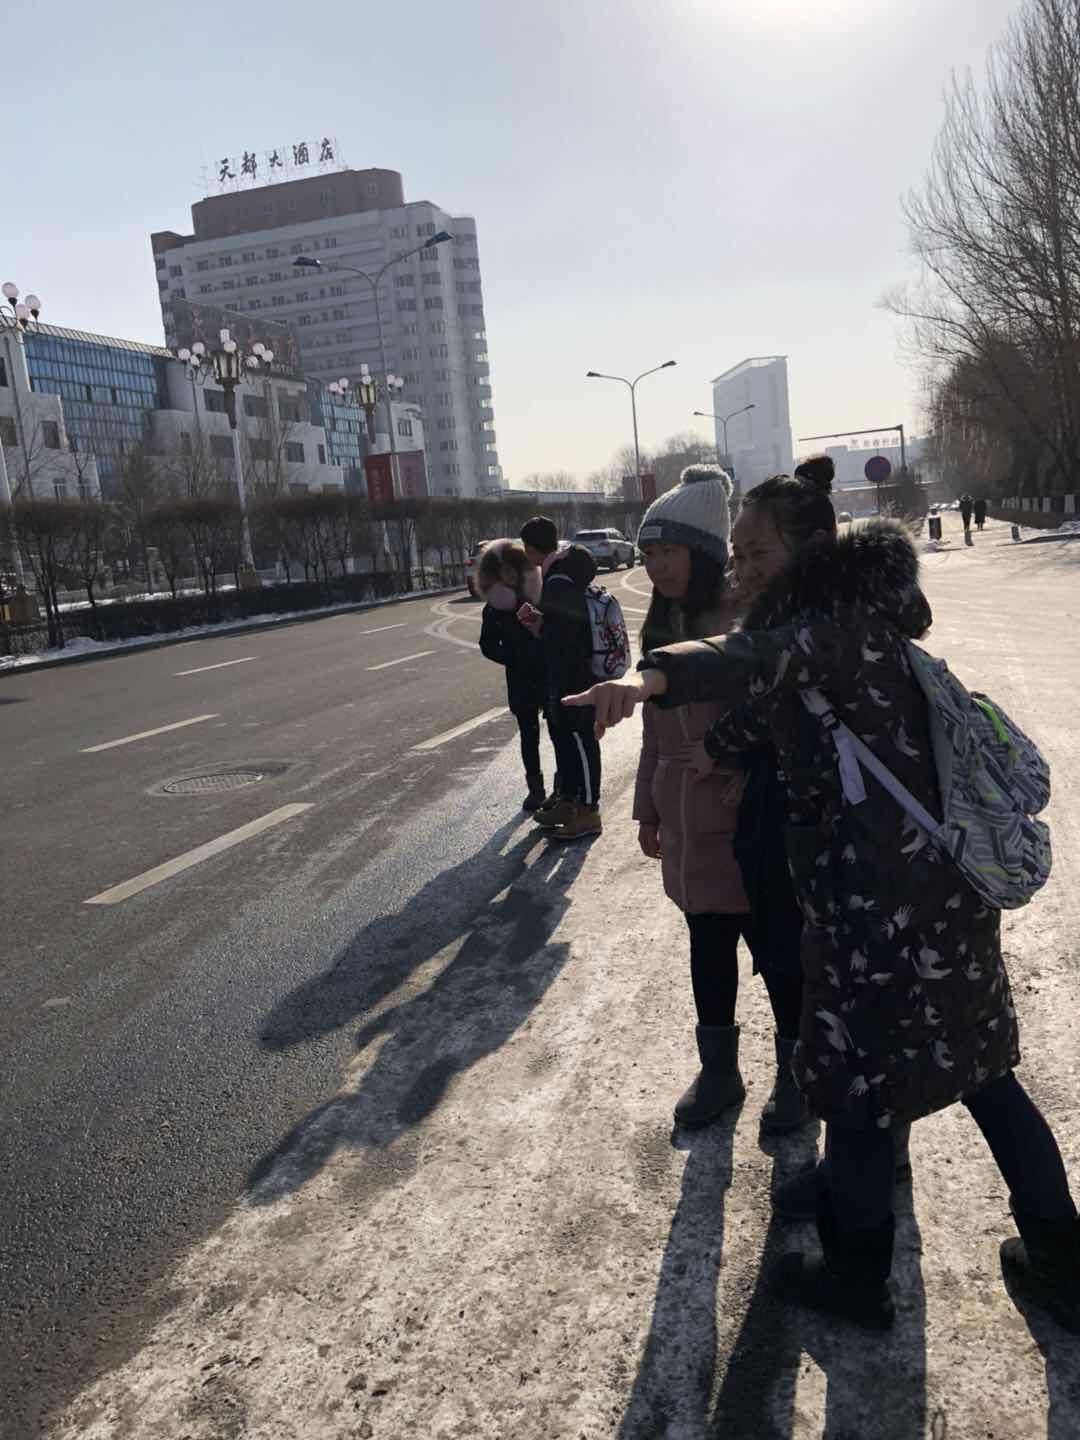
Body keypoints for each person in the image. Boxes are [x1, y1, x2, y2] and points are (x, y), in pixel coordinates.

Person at [565, 466, 1079, 1334]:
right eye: (736, 552)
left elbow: (748, 661)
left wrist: (648, 680)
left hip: (877, 911)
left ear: (811, 549)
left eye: (757, 552)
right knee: (981, 1076)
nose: (742, 567)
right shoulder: (860, 624)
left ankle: (857, 1274)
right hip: (936, 898)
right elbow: (757, 714)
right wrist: (717, 741)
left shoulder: (824, 629)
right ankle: (1062, 1262)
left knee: (860, 1090)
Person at [634, 464, 808, 1133]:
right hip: (687, 826)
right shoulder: (660, 627)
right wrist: (648, 809)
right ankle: (719, 1072)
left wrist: (739, 765)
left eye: (667, 550)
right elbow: (653, 733)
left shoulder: (746, 621)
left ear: (703, 552)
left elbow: (783, 711)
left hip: (748, 824)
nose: (654, 565)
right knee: (707, 951)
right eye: (647, 553)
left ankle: (796, 1077)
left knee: (780, 958)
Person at [519, 515, 603, 842]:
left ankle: (589, 810)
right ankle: (570, 802)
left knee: (581, 741)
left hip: (572, 675)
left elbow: (566, 631)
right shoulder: (560, 571)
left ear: (531, 547)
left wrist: (538, 626)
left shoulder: (557, 580)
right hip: (571, 673)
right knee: (568, 740)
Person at [476, 539, 554, 813]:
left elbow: (553, 632)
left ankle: (563, 787)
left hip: (547, 673)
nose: (508, 575)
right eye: (502, 571)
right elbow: (487, 645)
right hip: (520, 678)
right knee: (529, 736)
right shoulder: (495, 607)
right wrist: (513, 658)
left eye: (511, 569)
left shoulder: (537, 595)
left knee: (559, 731)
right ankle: (536, 790)